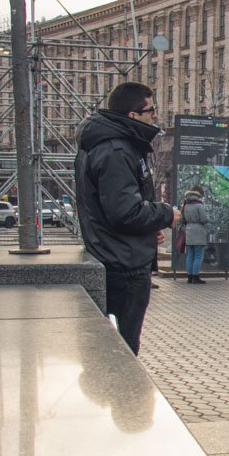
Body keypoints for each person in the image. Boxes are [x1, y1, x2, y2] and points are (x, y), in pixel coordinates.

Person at [75, 82, 179, 355]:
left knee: (113, 348)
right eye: (151, 110)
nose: (155, 115)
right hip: (123, 266)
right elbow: (125, 213)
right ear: (133, 115)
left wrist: (149, 228)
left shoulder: (108, 144)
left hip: (115, 256)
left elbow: (113, 207)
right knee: (124, 350)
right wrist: (166, 214)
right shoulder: (117, 150)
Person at [180, 188, 208, 284]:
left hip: (188, 231)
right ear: (197, 196)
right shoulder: (199, 205)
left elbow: (182, 219)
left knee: (190, 256)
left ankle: (189, 277)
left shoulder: (185, 205)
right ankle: (195, 277)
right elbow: (204, 219)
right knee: (198, 256)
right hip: (198, 231)